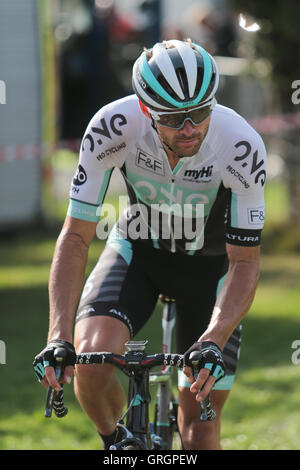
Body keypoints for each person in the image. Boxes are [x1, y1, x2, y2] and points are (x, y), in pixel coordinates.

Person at [33, 39, 266, 450]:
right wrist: (57, 336)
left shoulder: (240, 145)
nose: (190, 127)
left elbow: (245, 261)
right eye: (174, 118)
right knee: (91, 363)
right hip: (139, 251)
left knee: (199, 425)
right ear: (145, 109)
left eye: (200, 113)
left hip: (210, 271)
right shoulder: (112, 127)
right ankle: (122, 444)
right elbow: (74, 236)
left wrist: (214, 338)